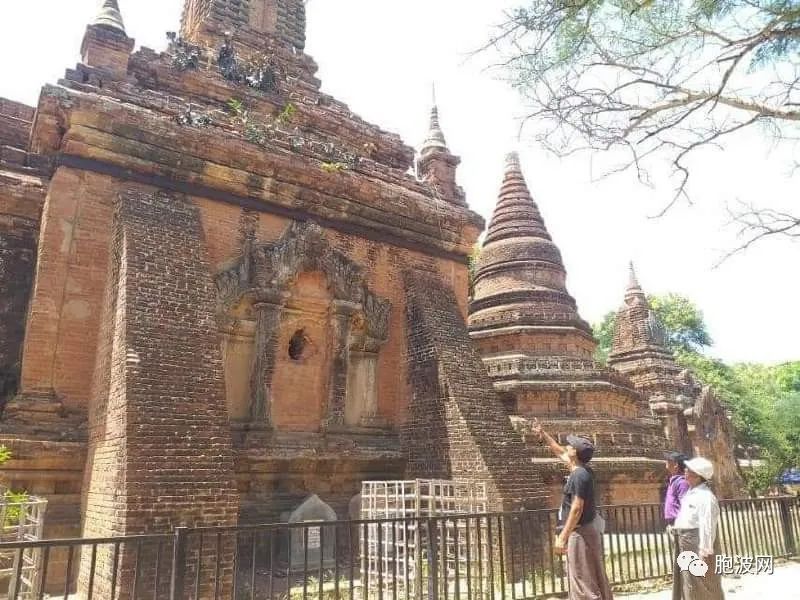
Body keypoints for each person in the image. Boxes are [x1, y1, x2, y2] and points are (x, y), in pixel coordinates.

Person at [531, 418, 613, 600]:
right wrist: (543, 434)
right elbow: (559, 451)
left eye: (570, 445)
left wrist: (563, 536)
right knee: (593, 577)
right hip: (585, 531)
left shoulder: (578, 476)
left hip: (579, 533)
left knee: (582, 581)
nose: (567, 446)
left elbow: (576, 508)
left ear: (575, 452)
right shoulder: (583, 470)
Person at [672, 457, 725, 600]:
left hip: (697, 544)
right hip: (686, 542)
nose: (685, 471)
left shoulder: (706, 497)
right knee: (689, 582)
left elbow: (707, 525)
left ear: (696, 475)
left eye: (688, 470)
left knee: (704, 583)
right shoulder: (691, 493)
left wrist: (705, 551)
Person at [664, 451, 690, 526]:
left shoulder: (682, 482)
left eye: (669, 460)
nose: (666, 461)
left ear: (676, 465)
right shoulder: (674, 481)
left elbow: (685, 504)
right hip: (673, 522)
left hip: (679, 522)